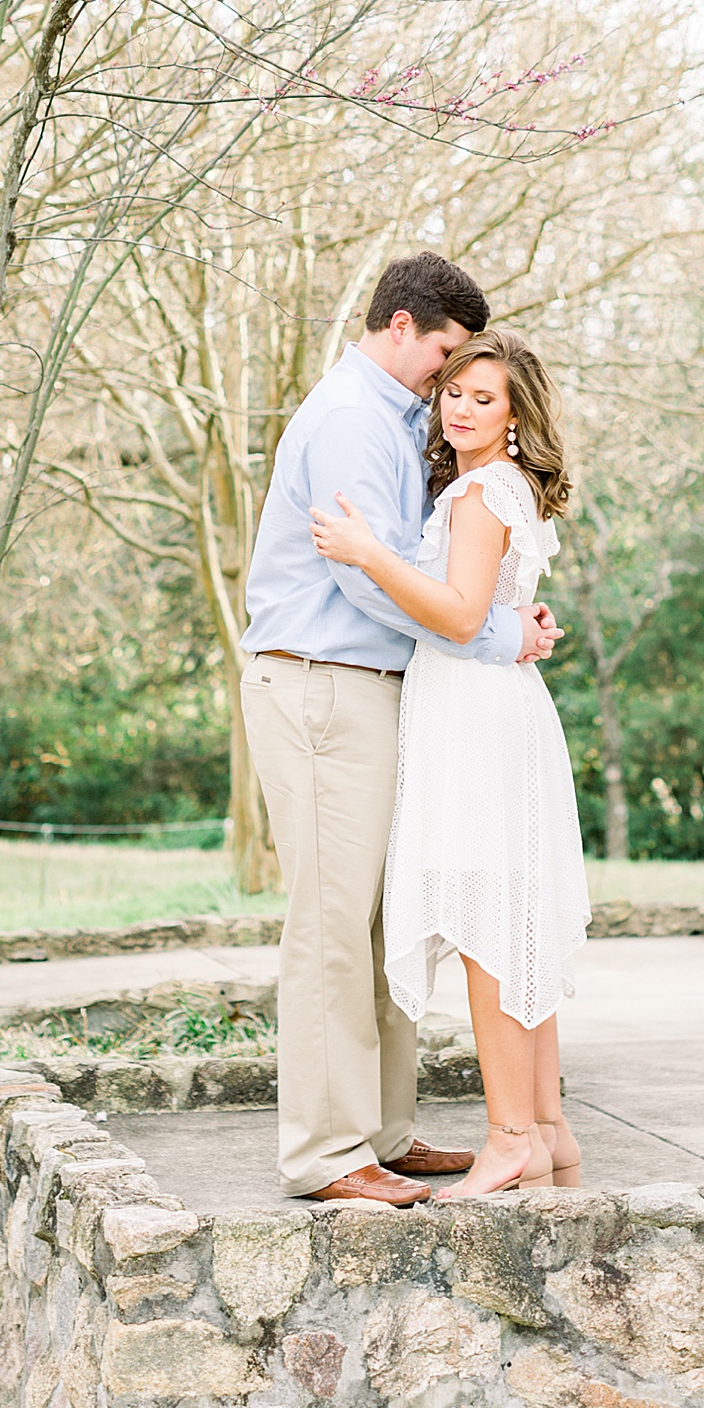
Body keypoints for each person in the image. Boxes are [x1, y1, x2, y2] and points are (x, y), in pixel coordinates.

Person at [240, 254, 559, 1207]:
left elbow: (436, 565)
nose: (447, 384)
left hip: (380, 689)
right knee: (333, 922)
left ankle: (380, 1131)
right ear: (403, 326)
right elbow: (358, 576)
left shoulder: (394, 421)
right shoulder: (348, 420)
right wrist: (493, 630)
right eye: (446, 358)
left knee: (383, 915)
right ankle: (328, 1154)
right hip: (321, 684)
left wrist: (495, 615)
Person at [310, 327, 589, 1197]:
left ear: (515, 419)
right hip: (496, 711)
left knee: (488, 930)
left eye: (484, 398)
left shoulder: (479, 496)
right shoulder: (502, 490)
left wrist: (368, 554)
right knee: (514, 920)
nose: (461, 408)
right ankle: (545, 1129)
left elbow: (464, 617)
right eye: (454, 392)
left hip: (472, 717)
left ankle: (507, 1138)